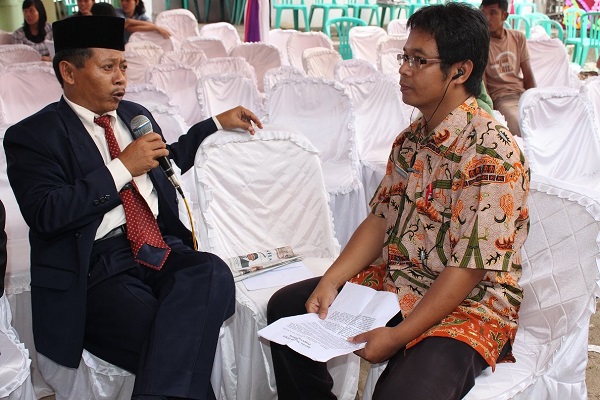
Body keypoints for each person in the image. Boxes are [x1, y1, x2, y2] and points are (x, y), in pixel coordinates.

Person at [267, 3, 530, 399]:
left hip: (468, 305)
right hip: (400, 279)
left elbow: (469, 269)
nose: (404, 70)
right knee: (289, 308)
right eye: (404, 57)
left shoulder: (491, 154)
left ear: (460, 71)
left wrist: (398, 336)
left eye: (419, 60)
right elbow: (380, 220)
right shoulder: (410, 140)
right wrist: (331, 281)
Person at [4, 16, 262, 400]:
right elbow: (47, 213)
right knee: (171, 336)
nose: (120, 78)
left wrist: (214, 123)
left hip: (158, 246)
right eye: (108, 67)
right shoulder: (34, 135)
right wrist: (122, 167)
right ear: (69, 72)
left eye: (124, 66)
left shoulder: (134, 115)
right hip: (96, 266)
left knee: (211, 271)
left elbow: (165, 159)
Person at [481, 0, 536, 137]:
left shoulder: (518, 37)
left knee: (546, 120)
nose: (487, 18)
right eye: (483, 13)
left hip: (523, 95)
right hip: (502, 99)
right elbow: (483, 85)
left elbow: (528, 74)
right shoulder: (481, 44)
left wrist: (535, 97)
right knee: (521, 127)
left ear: (504, 16)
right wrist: (492, 112)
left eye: (493, 13)